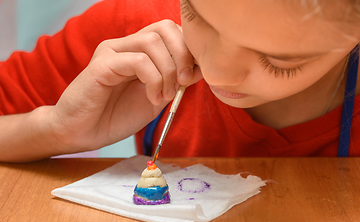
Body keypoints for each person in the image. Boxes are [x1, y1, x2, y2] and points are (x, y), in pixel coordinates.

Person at [1, 0, 360, 162]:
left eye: (279, 59)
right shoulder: (136, 33)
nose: (216, 72)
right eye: (195, 14)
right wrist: (55, 129)